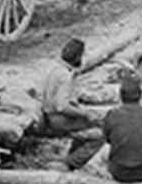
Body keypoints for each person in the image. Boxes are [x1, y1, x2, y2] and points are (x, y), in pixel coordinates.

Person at [41, 38, 104, 170]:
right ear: (77, 57)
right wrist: (85, 113)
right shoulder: (65, 76)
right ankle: (70, 163)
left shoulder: (56, 70)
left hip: (50, 114)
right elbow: (61, 106)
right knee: (100, 134)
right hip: (58, 119)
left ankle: (71, 156)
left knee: (86, 121)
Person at [102, 73, 142, 184]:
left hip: (119, 171)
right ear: (141, 95)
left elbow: (107, 139)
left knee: (103, 155)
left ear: (120, 95)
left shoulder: (112, 114)